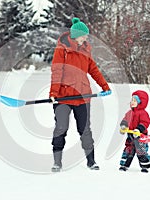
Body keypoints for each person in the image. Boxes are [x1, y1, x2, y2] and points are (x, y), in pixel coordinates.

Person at [49, 17, 112, 172]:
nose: (86, 38)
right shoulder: (61, 50)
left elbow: (94, 70)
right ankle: (57, 162)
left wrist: (104, 86)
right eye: (84, 35)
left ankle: (91, 161)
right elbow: (57, 71)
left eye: (86, 36)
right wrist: (53, 93)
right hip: (64, 96)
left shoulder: (86, 50)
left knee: (85, 129)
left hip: (83, 96)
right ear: (76, 35)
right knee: (61, 128)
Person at [119, 90, 150, 173]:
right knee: (128, 149)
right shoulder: (129, 113)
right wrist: (123, 126)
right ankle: (124, 165)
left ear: (140, 102)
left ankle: (145, 166)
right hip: (130, 134)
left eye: (135, 100)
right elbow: (125, 120)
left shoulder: (143, 113)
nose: (132, 102)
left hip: (140, 135)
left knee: (141, 151)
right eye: (132, 100)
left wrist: (139, 129)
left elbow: (145, 122)